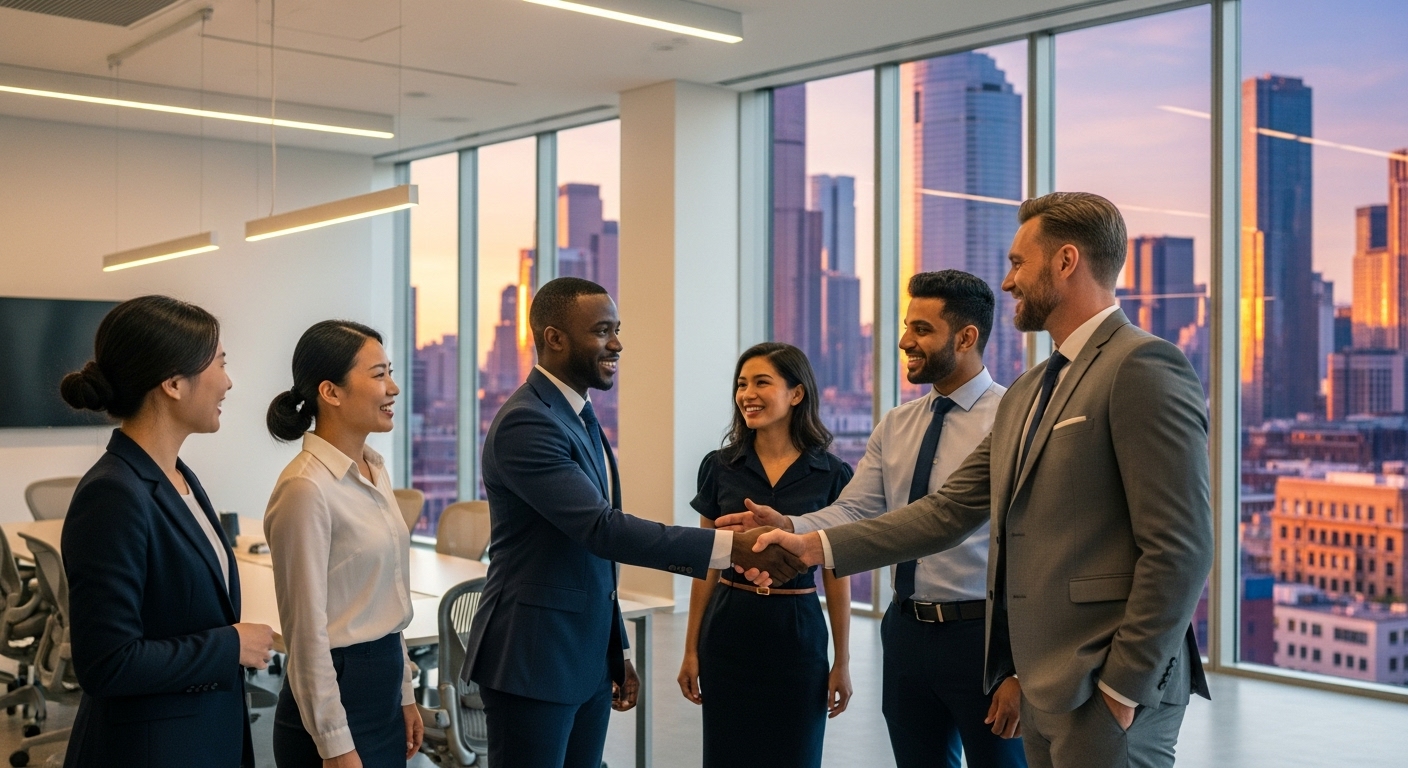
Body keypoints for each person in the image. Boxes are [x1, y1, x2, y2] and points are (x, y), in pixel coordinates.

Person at [752, 192, 1213, 768]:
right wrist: (810, 543)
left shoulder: (1143, 365)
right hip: (1050, 682)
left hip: (1105, 684)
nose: (1010, 281)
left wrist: (1123, 687)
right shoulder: (1030, 389)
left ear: (1066, 262)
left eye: (1020, 263)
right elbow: (947, 511)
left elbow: (1182, 546)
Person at [461, 277, 805, 768]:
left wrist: (614, 646)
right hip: (533, 658)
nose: (617, 344)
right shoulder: (528, 422)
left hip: (582, 654)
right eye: (603, 331)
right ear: (555, 338)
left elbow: (589, 558)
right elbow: (601, 529)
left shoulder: (576, 414)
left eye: (617, 329)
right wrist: (730, 546)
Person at [719, 271, 1026, 768]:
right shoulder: (897, 423)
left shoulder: (1014, 419)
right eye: (907, 326)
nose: (905, 340)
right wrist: (792, 526)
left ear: (967, 337)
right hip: (905, 633)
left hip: (985, 638)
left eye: (922, 329)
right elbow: (854, 509)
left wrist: (1019, 667)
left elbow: (1032, 548)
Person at [59, 295, 275, 768]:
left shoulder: (178, 477)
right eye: (220, 363)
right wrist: (230, 645)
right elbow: (106, 663)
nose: (228, 381)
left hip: (199, 739)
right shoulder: (113, 493)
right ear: (174, 383)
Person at [680, 342, 854, 768]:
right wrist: (690, 649)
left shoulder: (833, 475)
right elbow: (707, 564)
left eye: (761, 382)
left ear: (797, 393)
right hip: (728, 630)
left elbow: (837, 573)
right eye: (742, 384)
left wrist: (843, 661)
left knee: (796, 757)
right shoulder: (719, 466)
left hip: (798, 637)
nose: (747, 394)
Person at [263, 320, 423, 768]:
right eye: (378, 375)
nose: (392, 387)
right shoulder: (306, 488)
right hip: (335, 701)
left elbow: (387, 597)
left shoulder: (373, 469)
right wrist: (335, 746)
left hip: (383, 687)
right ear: (330, 392)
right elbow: (305, 634)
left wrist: (405, 693)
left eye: (389, 372)